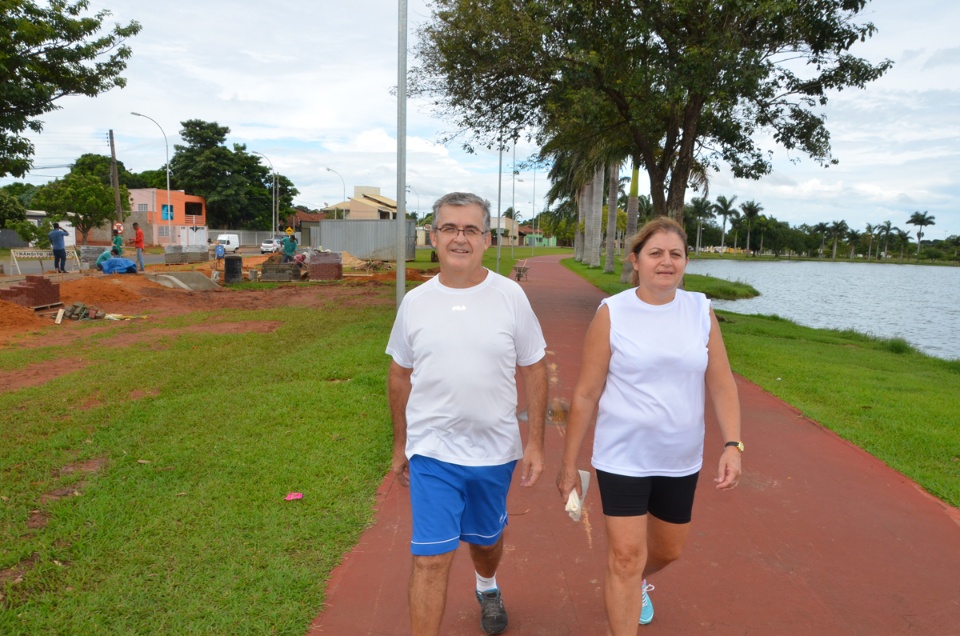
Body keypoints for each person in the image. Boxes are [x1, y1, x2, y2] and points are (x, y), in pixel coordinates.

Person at [556, 216, 742, 634]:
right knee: (624, 556)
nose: (666, 261)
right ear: (635, 260)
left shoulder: (700, 310)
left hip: (679, 458)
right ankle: (626, 589)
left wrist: (733, 444)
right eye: (655, 253)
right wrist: (569, 464)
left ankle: (637, 579)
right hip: (622, 456)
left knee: (668, 551)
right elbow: (586, 393)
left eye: (675, 254)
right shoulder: (613, 312)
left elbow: (722, 382)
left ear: (686, 263)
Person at [386, 192, 548, 636]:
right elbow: (399, 374)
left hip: (494, 451)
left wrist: (535, 443)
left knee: (485, 543)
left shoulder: (510, 296)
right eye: (450, 228)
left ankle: (487, 583)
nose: (460, 238)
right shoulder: (416, 302)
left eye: (471, 229)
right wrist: (401, 445)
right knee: (431, 559)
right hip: (432, 452)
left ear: (487, 239)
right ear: (434, 237)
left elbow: (534, 366)